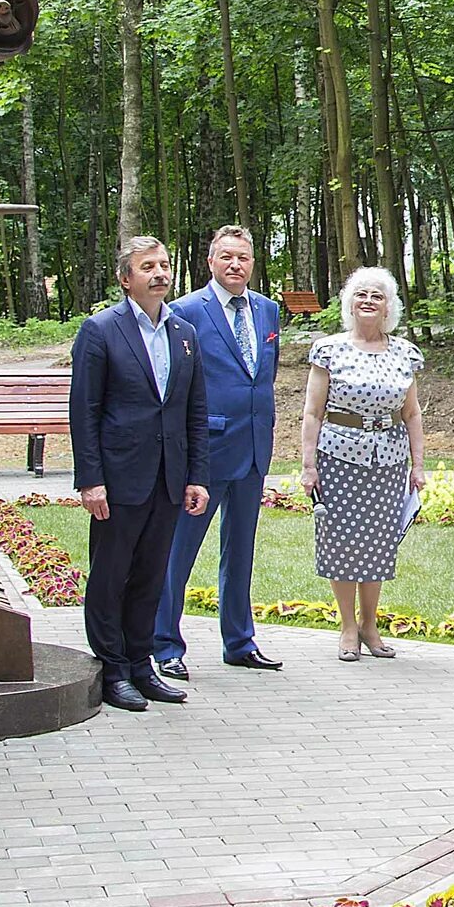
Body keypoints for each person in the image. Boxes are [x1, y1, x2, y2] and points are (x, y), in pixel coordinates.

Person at [70, 238, 212, 711]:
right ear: (125, 278)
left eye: (165, 264)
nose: (159, 273)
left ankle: (140, 663)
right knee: (112, 575)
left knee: (152, 575)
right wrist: (90, 479)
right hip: (119, 477)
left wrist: (198, 475)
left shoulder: (184, 333)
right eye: (146, 266)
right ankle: (111, 670)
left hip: (170, 478)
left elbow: (195, 410)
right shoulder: (100, 331)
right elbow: (84, 411)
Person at [160, 225, 286, 678]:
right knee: (180, 550)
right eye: (227, 257)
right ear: (211, 261)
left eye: (245, 258)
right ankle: (165, 644)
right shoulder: (186, 311)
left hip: (254, 447)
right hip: (207, 450)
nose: (236, 265)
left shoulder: (268, 311)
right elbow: (177, 385)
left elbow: (263, 375)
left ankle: (239, 640)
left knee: (241, 549)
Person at [298, 266, 429, 664]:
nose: (368, 301)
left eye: (377, 295)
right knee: (342, 543)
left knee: (378, 545)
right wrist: (308, 464)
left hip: (388, 461)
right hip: (339, 457)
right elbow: (312, 412)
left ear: (389, 305)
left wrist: (417, 464)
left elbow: (412, 414)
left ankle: (371, 625)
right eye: (361, 294)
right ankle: (347, 628)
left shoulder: (405, 352)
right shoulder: (329, 349)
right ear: (349, 303)